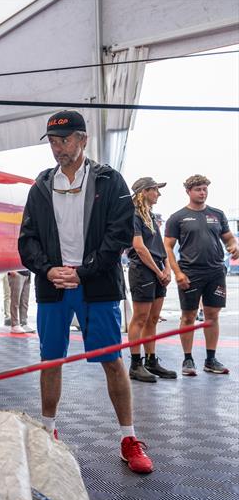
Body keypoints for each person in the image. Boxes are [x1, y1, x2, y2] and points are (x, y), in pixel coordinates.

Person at [18, 110, 154, 474]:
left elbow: (120, 234)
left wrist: (85, 271)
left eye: (64, 141)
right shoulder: (41, 185)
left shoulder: (110, 181)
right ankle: (48, 432)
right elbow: (27, 239)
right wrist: (48, 269)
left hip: (97, 286)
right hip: (54, 285)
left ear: (83, 140)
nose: (58, 148)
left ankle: (129, 438)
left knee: (112, 361)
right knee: (51, 360)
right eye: (53, 142)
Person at [164, 175, 239, 376]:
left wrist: (233, 246)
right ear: (188, 191)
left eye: (205, 189)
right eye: (198, 189)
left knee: (212, 316)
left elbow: (229, 238)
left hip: (215, 271)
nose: (202, 192)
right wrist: (177, 272)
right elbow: (168, 247)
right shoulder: (177, 217)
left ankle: (210, 359)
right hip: (190, 272)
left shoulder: (217, 214)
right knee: (188, 317)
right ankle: (188, 359)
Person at [126, 178, 177, 383]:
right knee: (140, 317)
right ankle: (135, 364)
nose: (158, 194)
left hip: (156, 270)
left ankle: (151, 360)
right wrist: (158, 271)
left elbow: (160, 247)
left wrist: (167, 269)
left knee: (153, 319)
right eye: (155, 190)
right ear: (143, 192)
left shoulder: (152, 216)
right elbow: (139, 247)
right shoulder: (134, 215)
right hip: (142, 271)